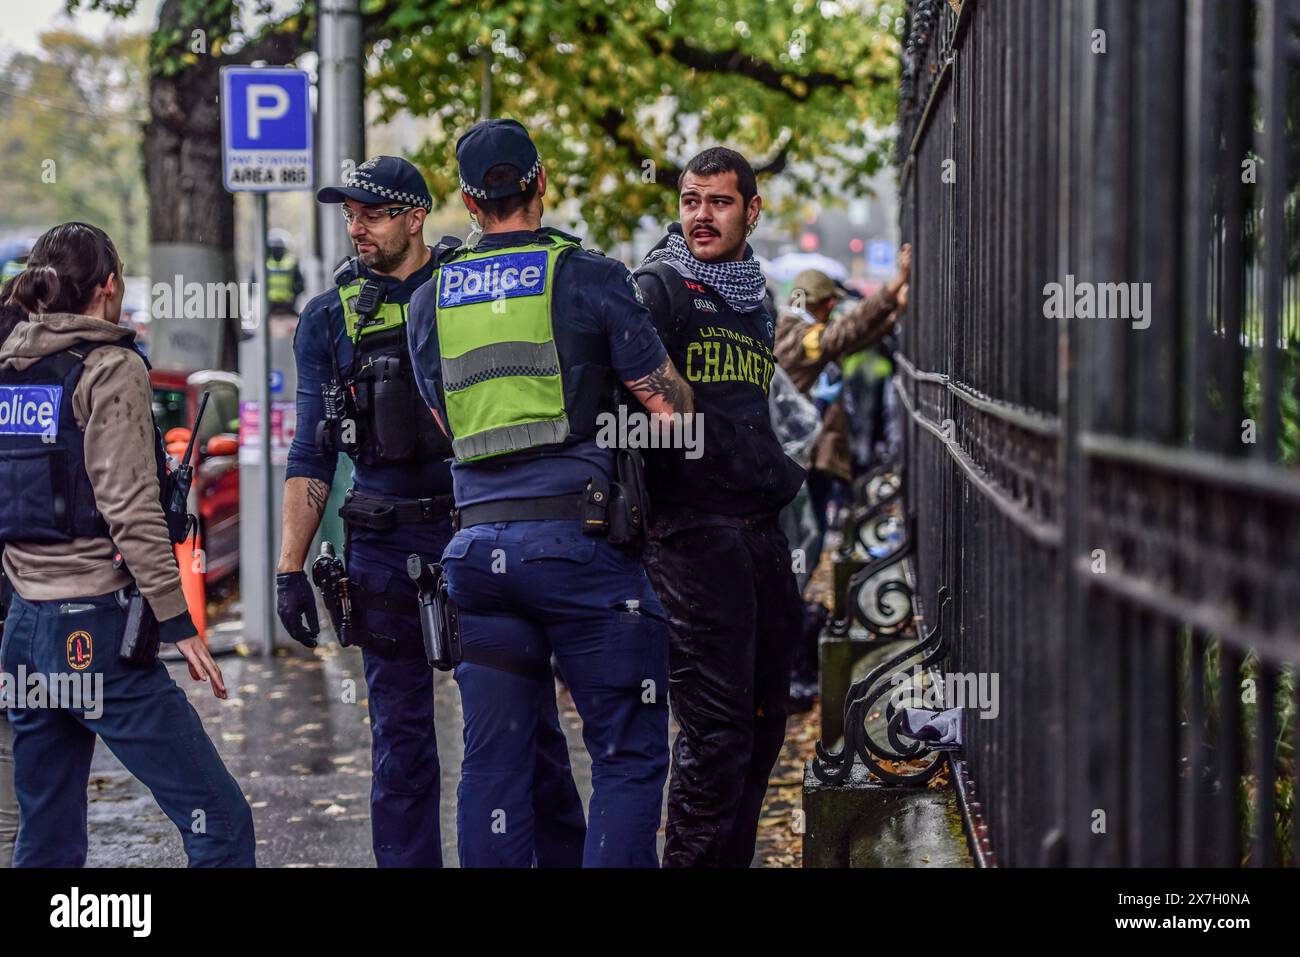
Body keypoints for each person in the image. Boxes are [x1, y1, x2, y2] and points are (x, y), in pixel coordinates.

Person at [276, 155, 586, 867]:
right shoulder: (328, 318)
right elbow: (309, 450)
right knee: (402, 746)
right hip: (381, 544)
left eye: (374, 212)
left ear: (416, 216)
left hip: (478, 534)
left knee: (527, 731)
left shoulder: (467, 291)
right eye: (349, 213)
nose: (358, 226)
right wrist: (290, 568)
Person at [407, 119, 693, 867]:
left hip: (475, 554)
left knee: (494, 767)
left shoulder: (427, 299)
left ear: (469, 201)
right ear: (541, 182)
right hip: (581, 550)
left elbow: (447, 424)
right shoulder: (591, 275)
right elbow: (668, 409)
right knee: (628, 753)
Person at [0, 222, 254, 867]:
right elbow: (130, 510)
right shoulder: (108, 367)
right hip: (93, 632)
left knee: (46, 840)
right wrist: (180, 624)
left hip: (23, 628)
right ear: (110, 287)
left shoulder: (11, 367)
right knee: (220, 820)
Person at [633, 147, 806, 867]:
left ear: (752, 210)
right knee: (716, 733)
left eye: (719, 201)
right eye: (690, 200)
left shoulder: (756, 298)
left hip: (759, 533)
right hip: (690, 535)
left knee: (764, 727)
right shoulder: (660, 288)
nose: (701, 215)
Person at [265, 229, 305, 315]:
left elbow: (252, 287)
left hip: (271, 308)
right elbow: (300, 285)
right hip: (287, 307)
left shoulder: (264, 264)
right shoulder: (292, 262)